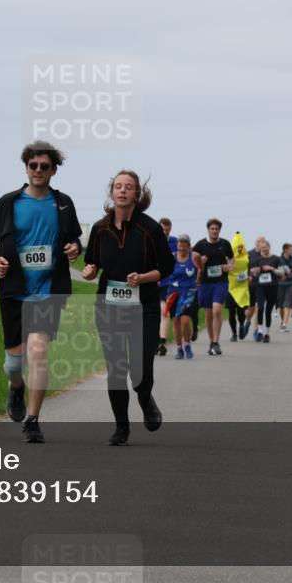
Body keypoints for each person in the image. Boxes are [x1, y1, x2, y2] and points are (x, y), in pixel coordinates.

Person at [0, 141, 83, 443]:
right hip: (14, 289)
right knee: (14, 363)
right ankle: (16, 388)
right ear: (26, 168)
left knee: (38, 351)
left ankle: (33, 419)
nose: (38, 170)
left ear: (54, 170)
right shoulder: (8, 203)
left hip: (49, 290)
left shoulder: (63, 204)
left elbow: (75, 239)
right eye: (33, 165)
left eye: (44, 166)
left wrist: (75, 248)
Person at [82, 170, 175, 446]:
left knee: (140, 369)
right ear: (112, 192)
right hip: (109, 306)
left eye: (129, 187)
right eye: (118, 186)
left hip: (143, 307)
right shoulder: (100, 228)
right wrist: (89, 271)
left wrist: (143, 278)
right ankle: (121, 428)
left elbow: (166, 267)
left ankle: (145, 398)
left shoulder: (150, 229)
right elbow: (93, 263)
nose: (122, 191)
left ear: (137, 194)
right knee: (116, 369)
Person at [192, 219, 234, 356]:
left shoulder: (225, 244)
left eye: (217, 229)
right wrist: (200, 261)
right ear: (208, 230)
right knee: (209, 314)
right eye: (212, 228)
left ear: (219, 230)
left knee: (217, 310)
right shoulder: (201, 245)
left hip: (221, 282)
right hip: (205, 283)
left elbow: (232, 258)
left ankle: (216, 342)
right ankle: (212, 342)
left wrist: (229, 267)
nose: (214, 231)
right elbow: (191, 258)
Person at [167, 234, 197, 359]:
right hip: (174, 292)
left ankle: (187, 344)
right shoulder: (172, 257)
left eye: (184, 247)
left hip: (188, 292)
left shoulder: (194, 257)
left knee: (185, 321)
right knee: (176, 321)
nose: (182, 249)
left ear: (189, 247)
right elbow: (164, 270)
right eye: (180, 246)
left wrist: (198, 281)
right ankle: (179, 348)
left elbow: (201, 268)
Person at [249, 239, 285, 343]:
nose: (264, 249)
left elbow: (282, 273)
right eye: (262, 247)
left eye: (265, 247)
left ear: (269, 247)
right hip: (260, 286)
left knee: (268, 310)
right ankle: (260, 330)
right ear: (260, 248)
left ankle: (266, 333)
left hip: (273, 286)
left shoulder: (276, 259)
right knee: (260, 307)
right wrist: (255, 271)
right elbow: (253, 273)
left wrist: (272, 269)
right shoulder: (258, 260)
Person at [156, 217, 178, 356]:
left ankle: (162, 342)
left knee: (165, 311)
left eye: (167, 230)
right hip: (151, 281)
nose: (165, 232)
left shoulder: (175, 242)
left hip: (167, 282)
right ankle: (153, 340)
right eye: (162, 229)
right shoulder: (151, 239)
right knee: (151, 314)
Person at [227, 231, 251, 342]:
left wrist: (250, 277)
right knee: (231, 311)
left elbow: (249, 270)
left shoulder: (247, 258)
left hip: (242, 287)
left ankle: (241, 325)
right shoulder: (228, 258)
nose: (239, 250)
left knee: (240, 311)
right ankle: (234, 333)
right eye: (237, 248)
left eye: (241, 248)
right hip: (231, 288)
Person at [242, 235, 267, 341]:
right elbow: (243, 267)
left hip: (262, 285)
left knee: (259, 308)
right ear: (256, 243)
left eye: (263, 241)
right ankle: (247, 321)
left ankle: (256, 330)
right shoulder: (249, 254)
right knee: (250, 310)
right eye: (259, 241)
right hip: (251, 285)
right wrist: (249, 274)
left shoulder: (266, 255)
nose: (261, 243)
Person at [277, 243, 292, 332]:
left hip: (289, 285)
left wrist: (289, 277)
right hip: (279, 285)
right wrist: (280, 275)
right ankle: (282, 321)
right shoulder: (278, 260)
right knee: (281, 306)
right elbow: (275, 271)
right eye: (291, 249)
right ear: (285, 250)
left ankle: (285, 324)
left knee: (287, 305)